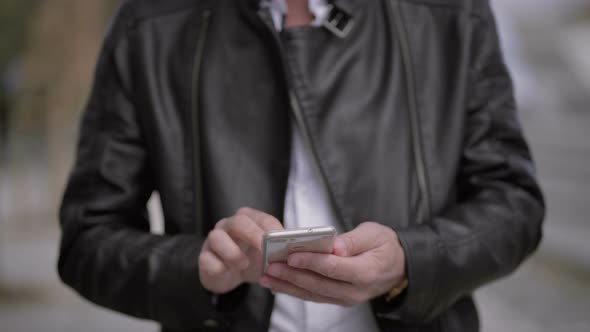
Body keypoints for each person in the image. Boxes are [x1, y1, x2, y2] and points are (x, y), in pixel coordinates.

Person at [57, 0, 545, 331]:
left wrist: (408, 261)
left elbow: (514, 203)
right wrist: (199, 270)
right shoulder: (152, 23)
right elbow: (88, 239)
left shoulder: (448, 13)